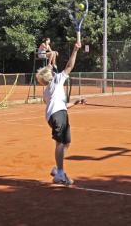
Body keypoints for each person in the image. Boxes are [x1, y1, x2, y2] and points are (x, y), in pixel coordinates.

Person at [36, 42, 84, 185]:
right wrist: (75, 50)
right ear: (50, 76)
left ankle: (58, 168)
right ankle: (60, 175)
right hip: (58, 115)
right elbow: (69, 66)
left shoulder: (47, 92)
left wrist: (75, 102)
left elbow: (60, 105)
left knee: (66, 142)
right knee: (60, 143)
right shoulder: (56, 80)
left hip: (56, 114)